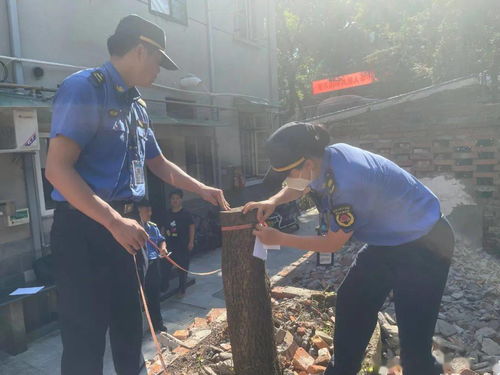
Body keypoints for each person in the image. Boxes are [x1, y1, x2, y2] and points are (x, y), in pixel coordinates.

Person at [46, 14, 229, 375]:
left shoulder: (137, 105)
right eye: (160, 61)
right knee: (85, 340)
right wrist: (113, 221)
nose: (160, 71)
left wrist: (202, 188)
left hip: (128, 228)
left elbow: (158, 163)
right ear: (141, 50)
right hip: (86, 228)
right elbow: (57, 169)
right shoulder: (85, 88)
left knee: (131, 329)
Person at [243, 122, 454, 375]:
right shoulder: (326, 159)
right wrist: (273, 201)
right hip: (387, 242)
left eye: (288, 173)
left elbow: (332, 244)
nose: (286, 181)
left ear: (307, 164)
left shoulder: (348, 181)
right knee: (353, 303)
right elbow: (300, 185)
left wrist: (278, 238)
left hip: (426, 244)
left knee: (414, 339)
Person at [137, 199, 168, 333]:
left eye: (150, 210)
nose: (149, 213)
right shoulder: (134, 229)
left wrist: (163, 248)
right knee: (138, 299)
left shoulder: (152, 227)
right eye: (146, 211)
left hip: (153, 265)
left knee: (154, 296)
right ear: (138, 211)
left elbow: (161, 240)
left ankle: (157, 325)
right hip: (138, 267)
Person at [161, 189, 195, 298]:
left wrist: (191, 241)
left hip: (183, 245)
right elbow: (163, 228)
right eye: (172, 199)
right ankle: (164, 287)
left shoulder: (186, 213)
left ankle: (182, 290)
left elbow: (192, 227)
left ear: (181, 200)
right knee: (165, 267)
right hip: (169, 245)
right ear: (170, 200)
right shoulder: (167, 213)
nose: (175, 200)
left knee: (182, 269)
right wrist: (161, 241)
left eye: (177, 198)